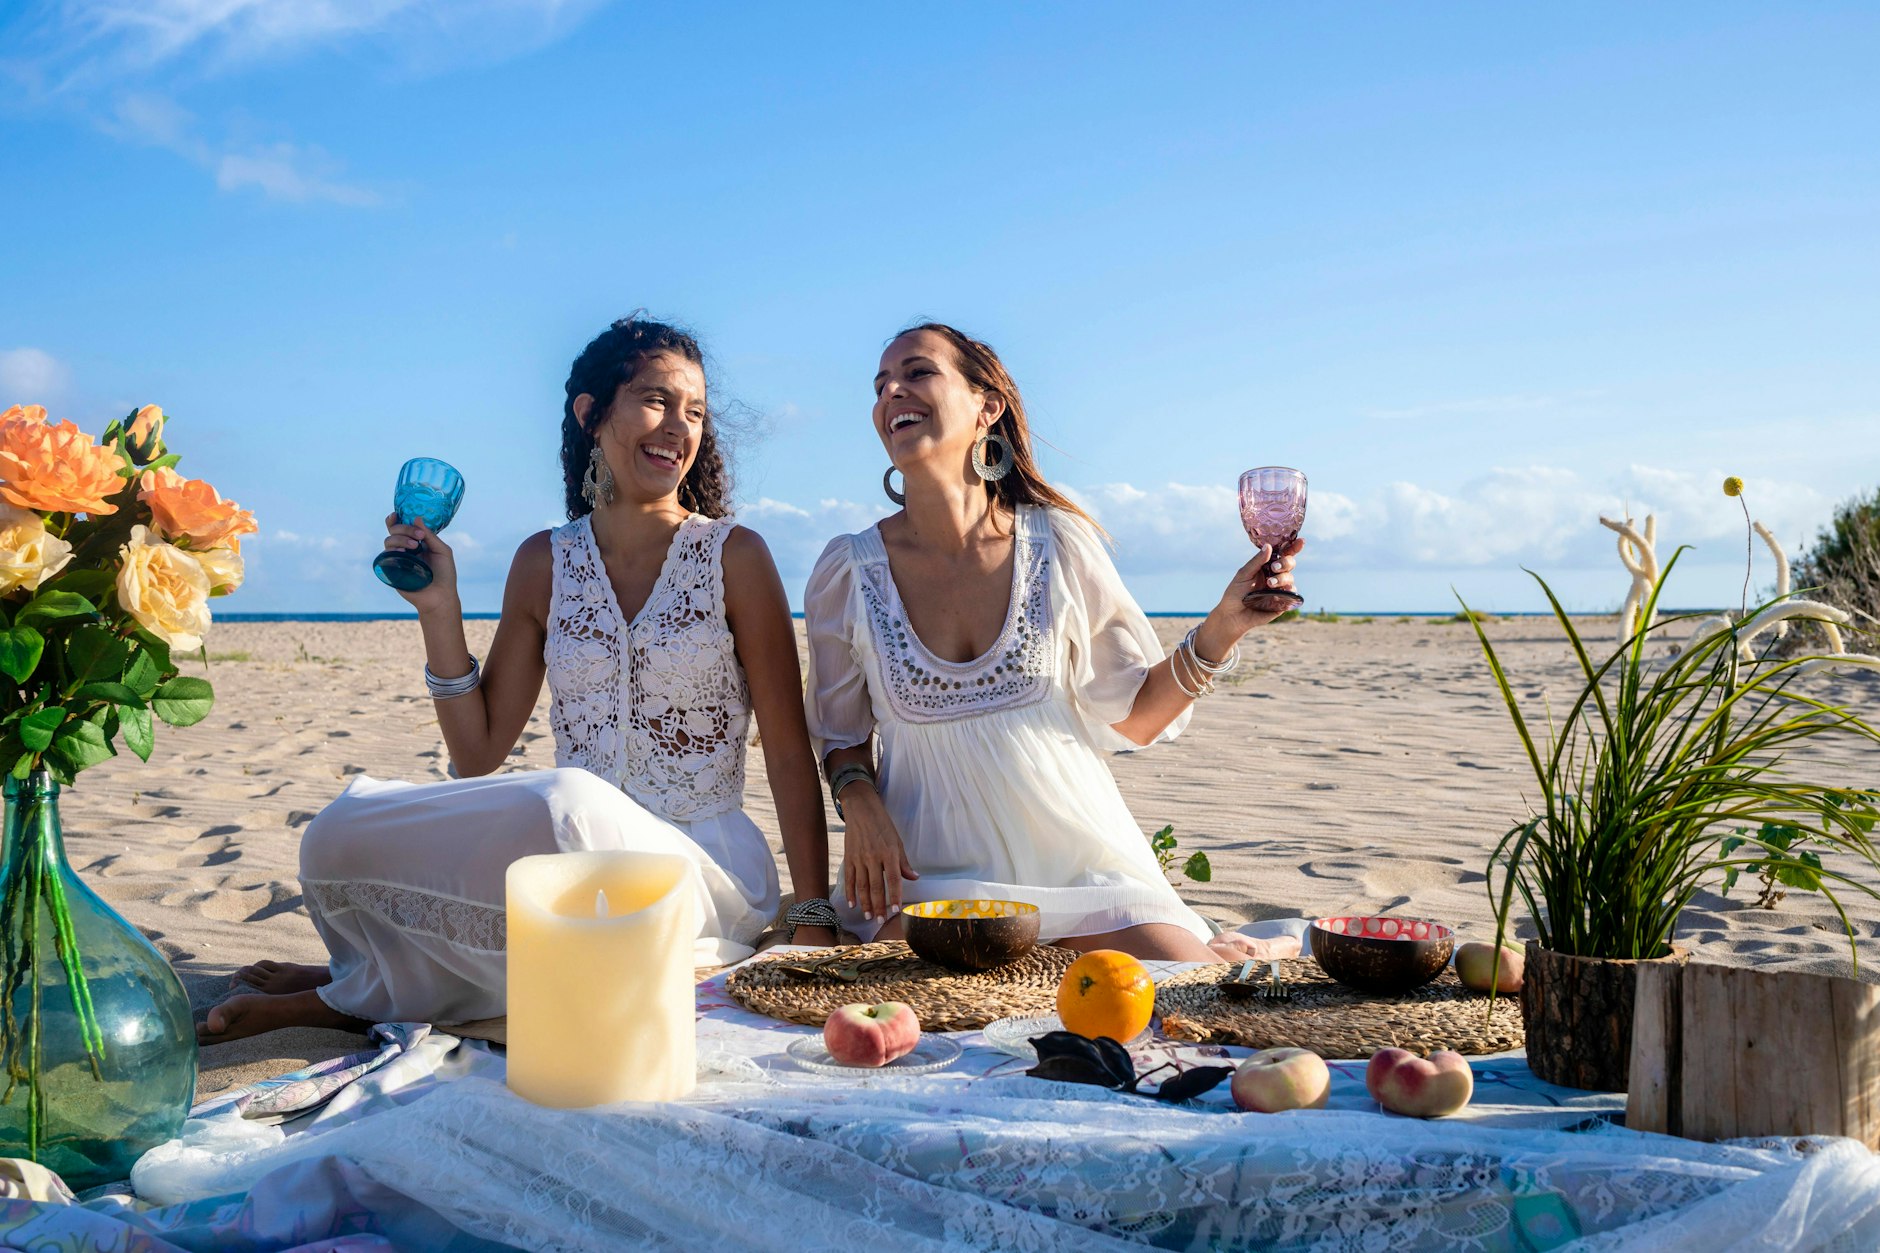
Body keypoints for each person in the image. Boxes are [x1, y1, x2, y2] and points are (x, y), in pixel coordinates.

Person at [202, 317, 836, 1044]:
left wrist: (811, 916)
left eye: (693, 411)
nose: (678, 427)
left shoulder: (735, 556)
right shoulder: (545, 560)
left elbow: (789, 750)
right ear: (591, 414)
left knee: (566, 802)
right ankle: (355, 975)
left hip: (703, 869)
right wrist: (439, 610)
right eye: (656, 400)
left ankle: (340, 999)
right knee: (336, 835)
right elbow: (478, 754)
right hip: (571, 852)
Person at [803, 323, 1302, 963]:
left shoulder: (1059, 542)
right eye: (880, 385)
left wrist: (1226, 624)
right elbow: (839, 734)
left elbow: (1137, 716)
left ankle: (1232, 951)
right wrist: (860, 801)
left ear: (988, 407)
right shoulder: (847, 569)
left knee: (1193, 995)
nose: (892, 391)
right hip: (929, 881)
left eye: (917, 372)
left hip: (1081, 872)